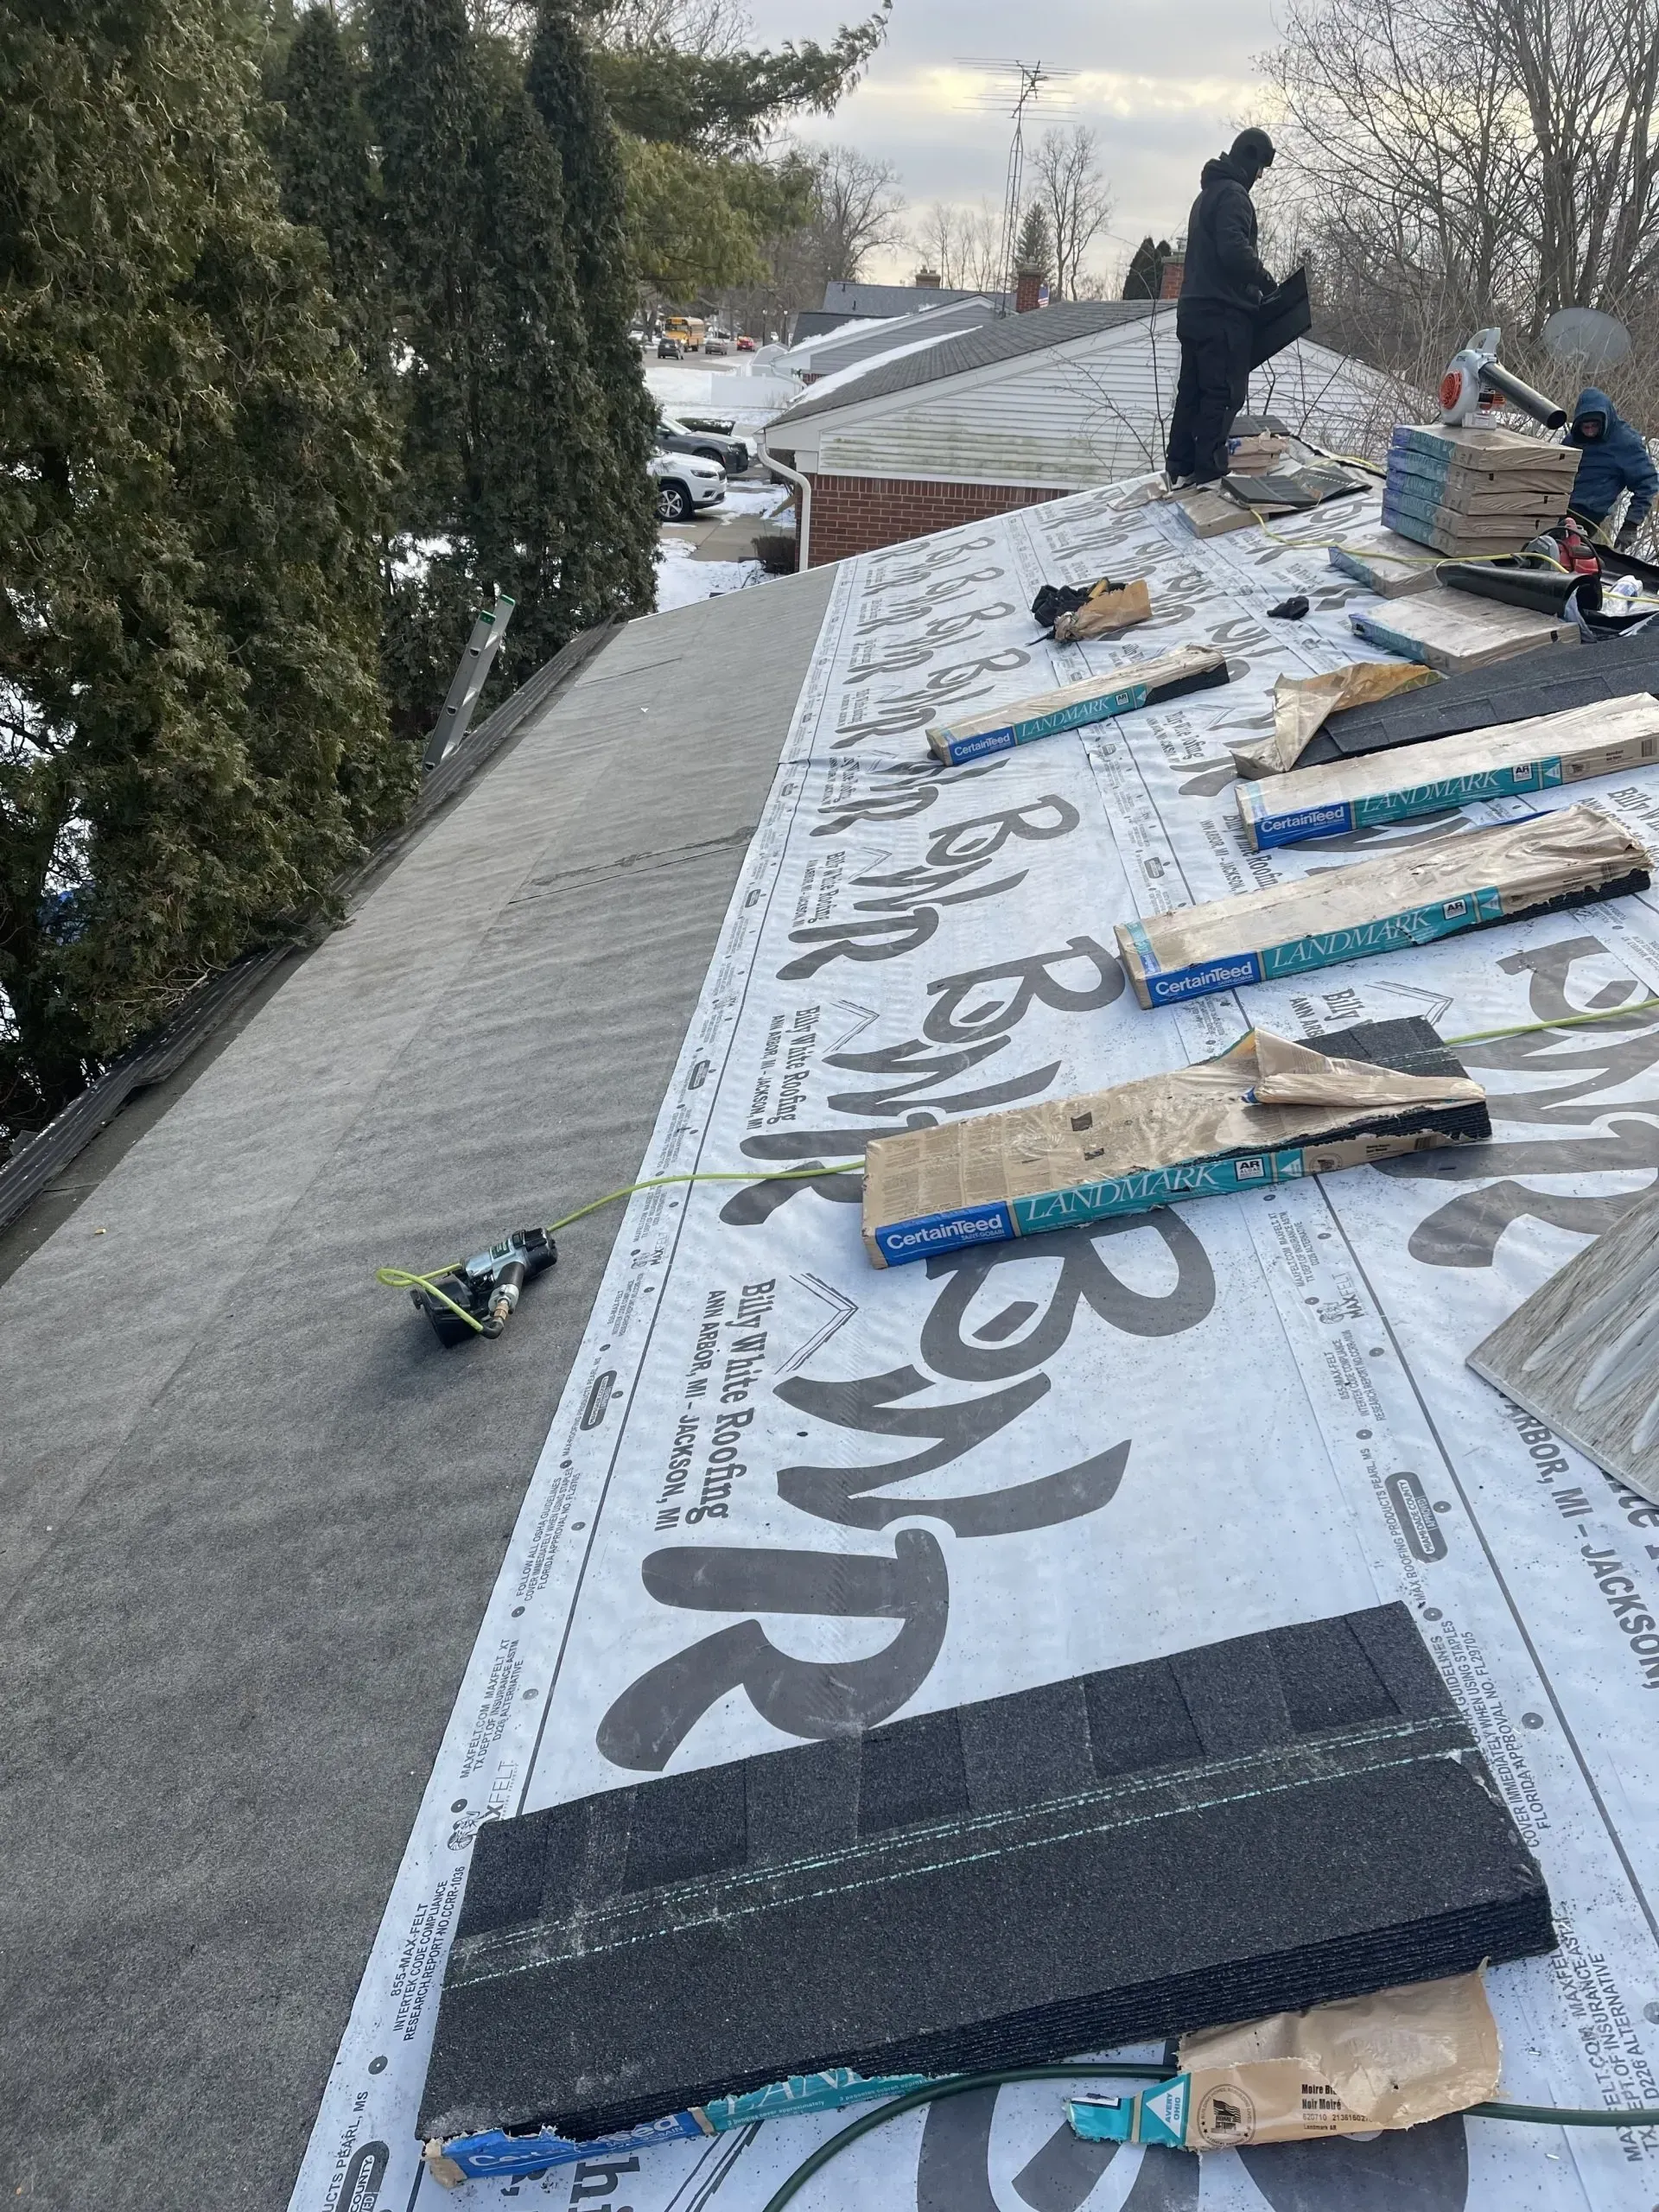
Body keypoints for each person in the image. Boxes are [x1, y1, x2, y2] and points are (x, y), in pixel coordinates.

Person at [1166, 129, 1277, 487]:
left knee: (1192, 390)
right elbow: (1233, 251)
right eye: (1260, 168)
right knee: (1222, 392)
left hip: (1194, 310)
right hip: (1222, 315)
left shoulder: (1207, 194)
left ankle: (1179, 465)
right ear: (1249, 158)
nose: (1259, 177)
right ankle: (1208, 474)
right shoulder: (1233, 195)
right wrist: (1263, 280)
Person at [1565, 388, 1658, 550]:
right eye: (1585, 427)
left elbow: (1647, 483)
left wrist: (1631, 525)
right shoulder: (1574, 439)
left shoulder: (1625, 442)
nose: (1589, 431)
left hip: (1587, 515)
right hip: (1557, 504)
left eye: (1594, 426)